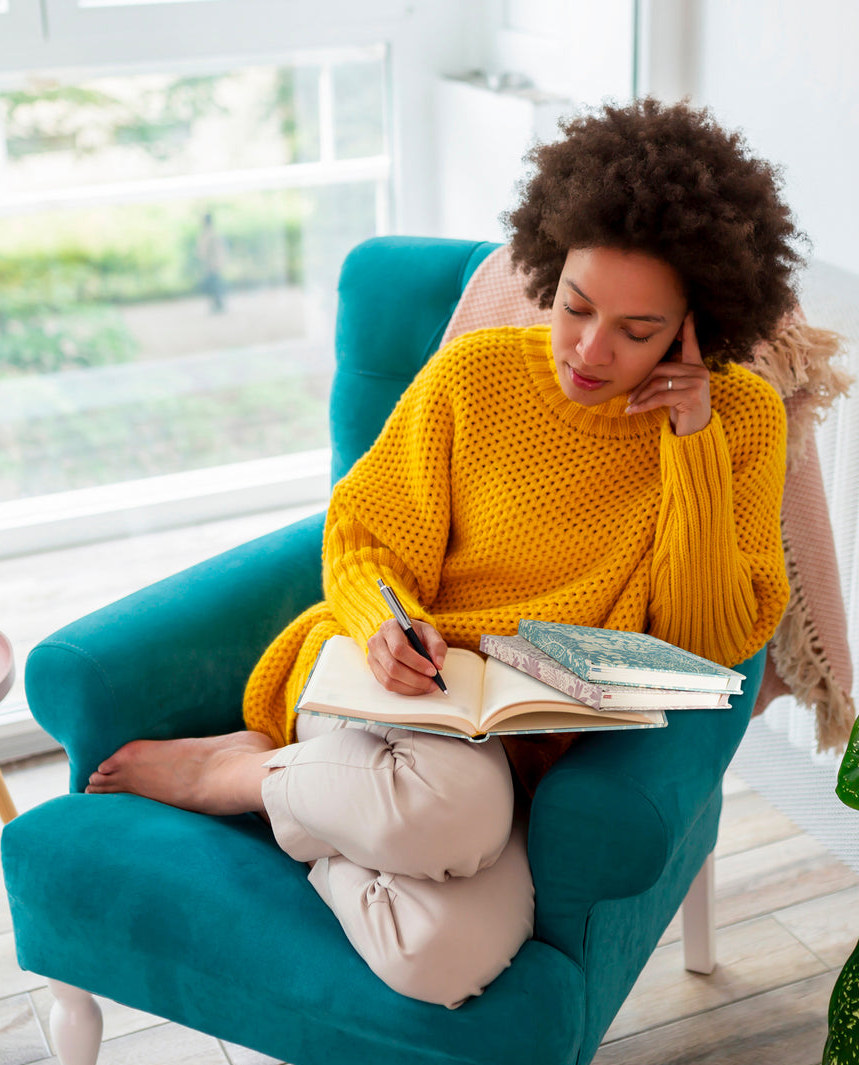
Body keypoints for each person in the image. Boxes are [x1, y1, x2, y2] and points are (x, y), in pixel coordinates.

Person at [86, 98, 798, 1009]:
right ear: (552, 264)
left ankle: (298, 804)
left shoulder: (738, 422)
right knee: (451, 809)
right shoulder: (477, 376)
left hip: (518, 743)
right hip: (393, 687)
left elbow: (708, 636)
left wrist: (689, 441)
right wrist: (385, 623)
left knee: (441, 958)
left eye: (638, 330)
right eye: (576, 306)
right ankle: (229, 773)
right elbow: (363, 533)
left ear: (698, 326)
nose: (588, 348)